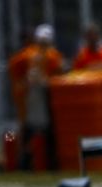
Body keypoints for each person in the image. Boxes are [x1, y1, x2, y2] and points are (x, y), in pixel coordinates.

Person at [7, 24, 64, 171]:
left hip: (30, 100)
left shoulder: (24, 56)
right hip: (32, 101)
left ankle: (22, 159)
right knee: (20, 133)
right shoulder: (40, 56)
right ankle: (21, 159)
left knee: (23, 132)